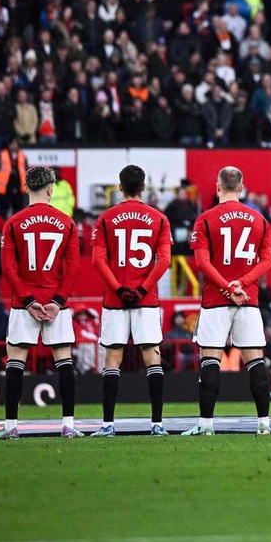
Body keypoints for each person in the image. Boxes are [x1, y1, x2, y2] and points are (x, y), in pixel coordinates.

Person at [0, 167, 82, 440]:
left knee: (16, 361)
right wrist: (57, 301)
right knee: (64, 360)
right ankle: (68, 425)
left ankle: (11, 426)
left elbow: (8, 267)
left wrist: (28, 301)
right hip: (56, 302)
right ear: (51, 189)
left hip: (23, 303)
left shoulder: (13, 223)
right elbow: (73, 268)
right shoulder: (67, 223)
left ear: (26, 188)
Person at [182, 167, 271, 436]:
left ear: (218, 186)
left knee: (210, 359)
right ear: (242, 187)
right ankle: (264, 424)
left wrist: (226, 286)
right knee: (255, 360)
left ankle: (206, 425)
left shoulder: (205, 219)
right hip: (248, 299)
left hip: (215, 299)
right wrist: (242, 284)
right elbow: (267, 260)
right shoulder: (259, 219)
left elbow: (202, 262)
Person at [89, 165, 173, 437]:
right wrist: (142, 289)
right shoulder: (159, 219)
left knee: (112, 359)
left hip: (115, 300)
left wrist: (118, 288)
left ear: (120, 187)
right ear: (144, 187)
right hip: (145, 300)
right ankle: (157, 424)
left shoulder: (105, 218)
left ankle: (108, 424)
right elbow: (164, 261)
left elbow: (98, 261)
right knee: (152, 357)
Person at [0, 139, 27, 218]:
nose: (14, 146)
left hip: (18, 186)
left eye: (16, 144)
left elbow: (26, 169)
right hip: (5, 187)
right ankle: (1, 227)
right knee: (3, 209)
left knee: (18, 210)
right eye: (12, 144)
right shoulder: (2, 154)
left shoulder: (23, 155)